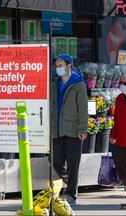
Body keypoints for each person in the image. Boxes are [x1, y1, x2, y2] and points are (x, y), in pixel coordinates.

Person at [51, 54, 88, 206]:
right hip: (57, 128)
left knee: (73, 162)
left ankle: (71, 193)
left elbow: (83, 108)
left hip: (73, 129)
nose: (58, 68)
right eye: (57, 66)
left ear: (69, 66)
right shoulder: (55, 83)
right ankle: (71, 181)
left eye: (60, 65)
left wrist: (83, 128)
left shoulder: (78, 84)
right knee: (55, 160)